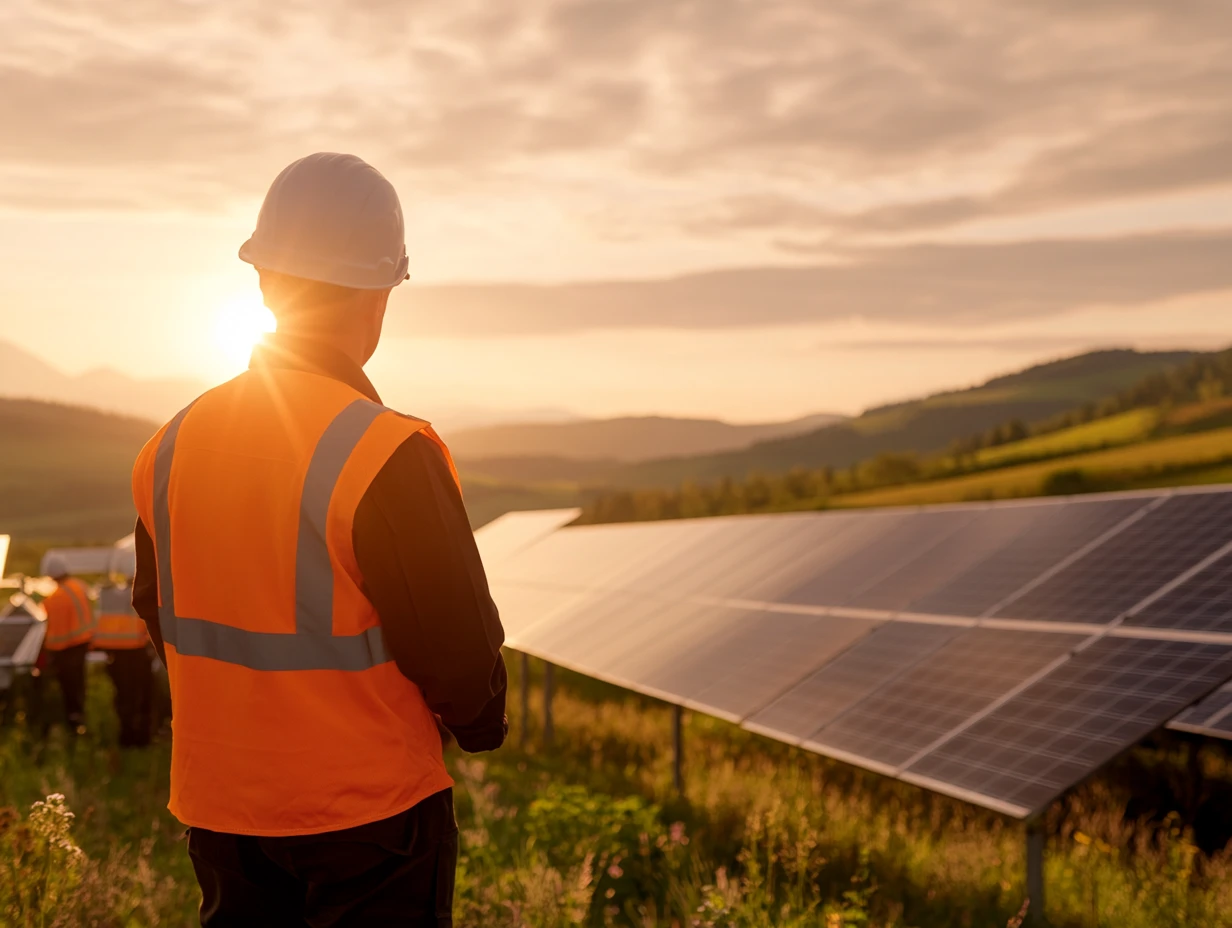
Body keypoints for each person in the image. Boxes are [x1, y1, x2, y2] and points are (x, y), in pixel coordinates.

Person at [130, 152, 507, 927]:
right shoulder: (386, 453)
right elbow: (457, 648)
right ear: (379, 292)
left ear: (265, 281)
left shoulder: (170, 446)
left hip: (224, 811)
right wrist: (482, 724)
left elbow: (158, 610)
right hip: (371, 820)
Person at [93, 578, 153, 748]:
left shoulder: (106, 595)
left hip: (115, 654)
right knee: (140, 696)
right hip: (137, 652)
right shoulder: (144, 593)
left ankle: (126, 738)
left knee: (124, 696)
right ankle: (141, 739)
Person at [38, 554, 95, 734]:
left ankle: (74, 723)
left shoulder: (54, 599)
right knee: (78, 685)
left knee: (69, 688)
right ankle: (79, 719)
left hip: (65, 650)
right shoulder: (80, 586)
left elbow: (50, 630)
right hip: (83, 643)